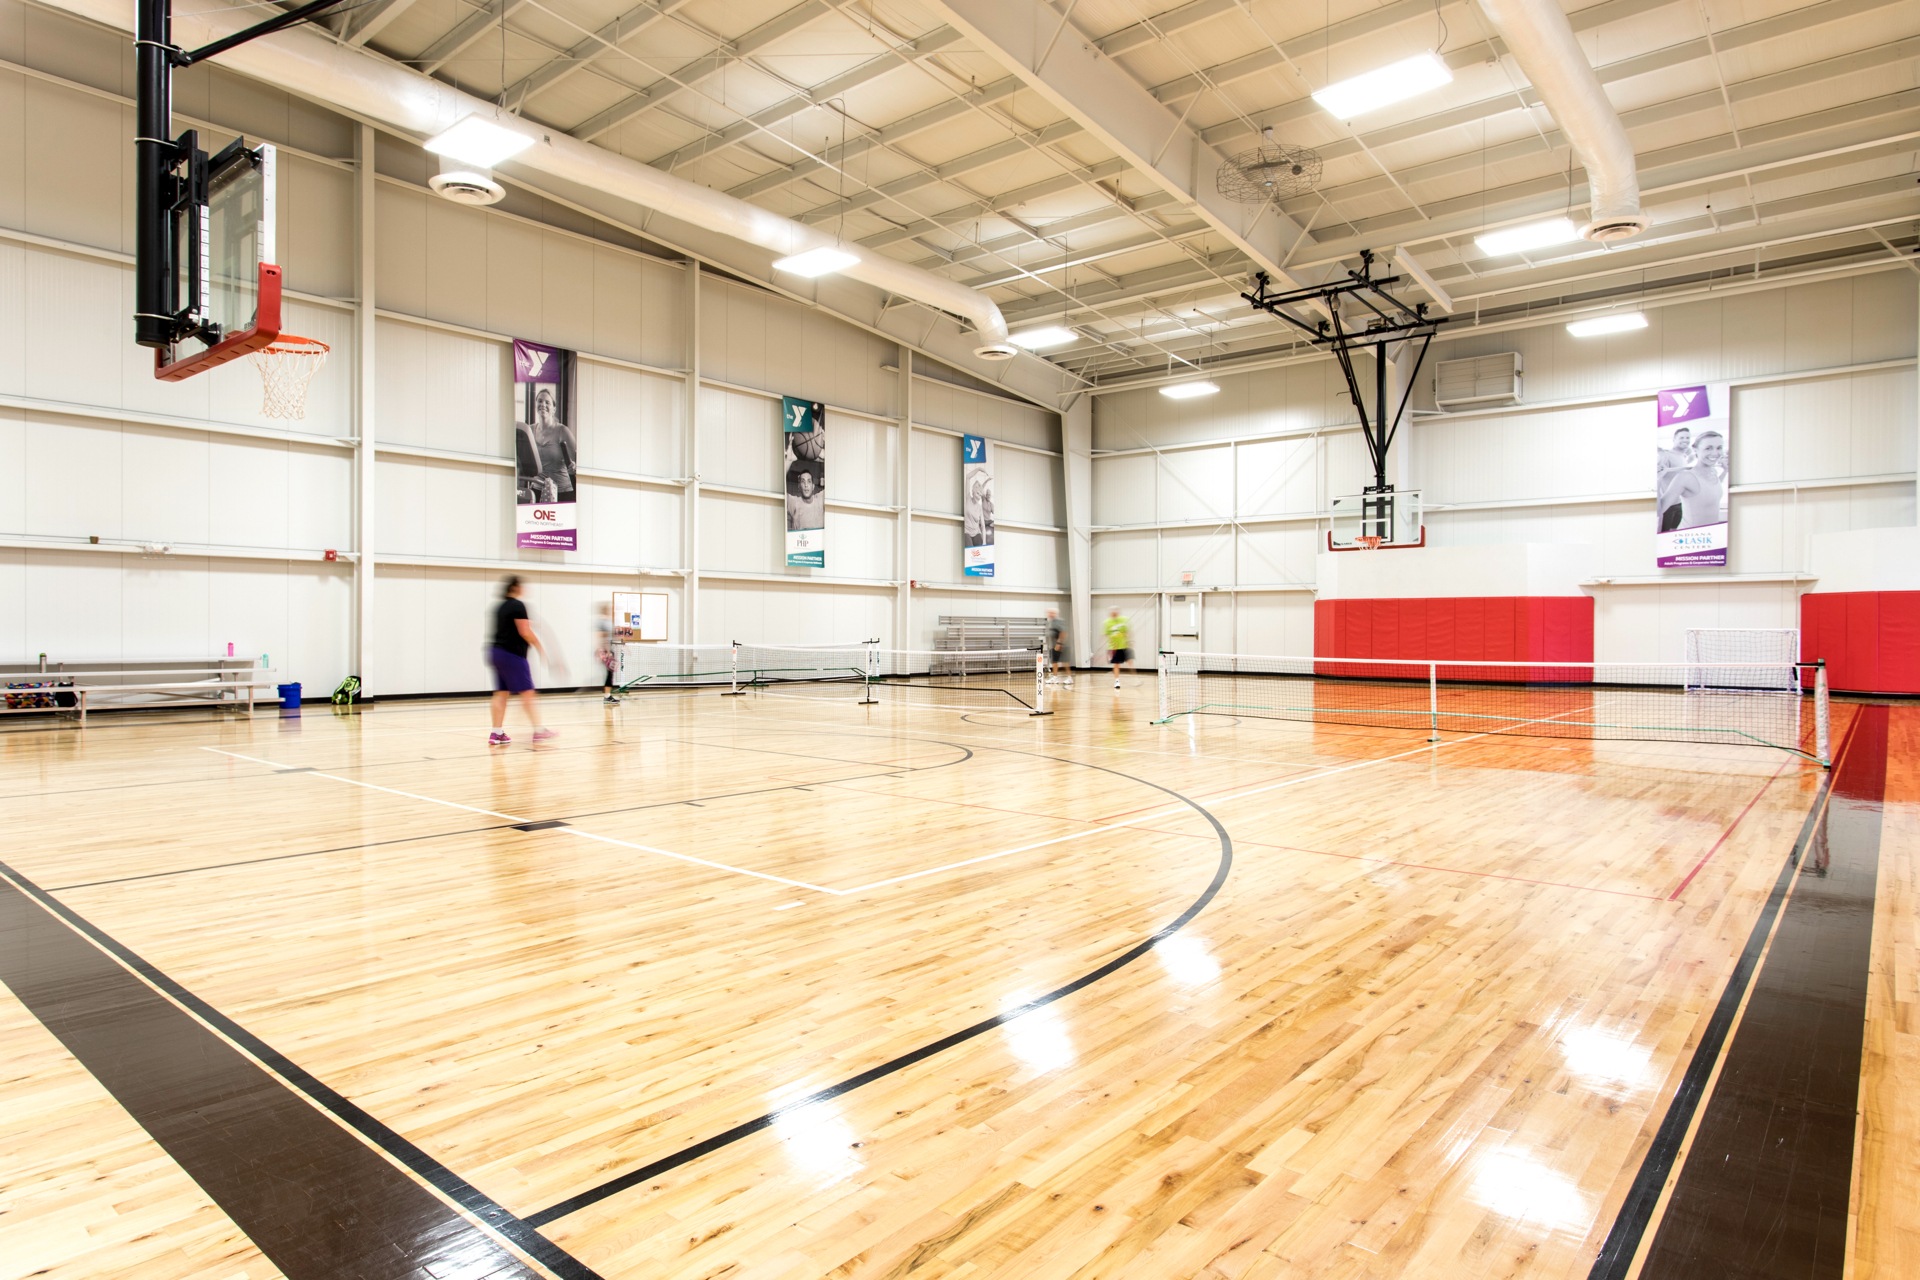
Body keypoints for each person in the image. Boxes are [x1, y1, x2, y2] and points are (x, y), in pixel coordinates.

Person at [488, 577, 554, 746]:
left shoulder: (500, 607)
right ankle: (538, 730)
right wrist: (539, 647)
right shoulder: (518, 605)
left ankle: (496, 733)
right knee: (527, 692)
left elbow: (511, 627)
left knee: (501, 693)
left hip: (495, 652)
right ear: (516, 587)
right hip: (512, 654)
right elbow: (524, 631)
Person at [1658, 430, 1728, 530]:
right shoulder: (1685, 477)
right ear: (1695, 449)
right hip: (1691, 538)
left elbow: (1709, 490)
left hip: (1710, 536)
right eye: (1708, 448)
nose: (1715, 453)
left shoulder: (1713, 472)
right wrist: (1658, 479)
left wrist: (1725, 471)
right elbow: (1659, 511)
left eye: (1719, 448)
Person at [519, 385, 576, 505]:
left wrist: (574, 466)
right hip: (537, 489)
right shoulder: (530, 430)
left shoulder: (562, 431)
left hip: (562, 492)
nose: (543, 404)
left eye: (547, 402)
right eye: (540, 401)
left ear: (554, 408)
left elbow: (578, 460)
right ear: (536, 405)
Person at [1656, 426, 1694, 532]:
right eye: (1681, 438)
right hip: (1668, 505)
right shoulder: (1666, 455)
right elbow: (1658, 474)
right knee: (1664, 535)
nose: (1685, 440)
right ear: (1674, 439)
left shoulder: (1683, 457)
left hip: (1680, 503)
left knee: (1674, 534)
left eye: (1687, 438)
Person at [785, 461, 825, 531]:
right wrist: (789, 461)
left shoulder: (820, 499)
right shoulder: (794, 503)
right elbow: (780, 492)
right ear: (799, 486)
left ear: (813, 486)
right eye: (803, 481)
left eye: (809, 481)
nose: (806, 485)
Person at [595, 601, 620, 705]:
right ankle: (607, 696)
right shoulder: (603, 622)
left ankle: (607, 696)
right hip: (606, 651)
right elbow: (602, 637)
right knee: (609, 673)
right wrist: (607, 651)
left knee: (610, 673)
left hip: (608, 650)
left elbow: (612, 636)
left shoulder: (608, 621)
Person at [1103, 607, 1134, 688]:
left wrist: (1129, 640)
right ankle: (1117, 681)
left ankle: (1135, 678)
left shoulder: (1124, 620)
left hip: (1125, 645)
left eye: (1116, 612)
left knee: (1130, 661)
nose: (1114, 614)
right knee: (1116, 664)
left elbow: (1128, 631)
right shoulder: (1107, 622)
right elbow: (1106, 634)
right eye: (1113, 613)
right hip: (1114, 647)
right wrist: (1112, 641)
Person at [1044, 608, 1071, 686]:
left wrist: (1059, 643)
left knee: (1065, 662)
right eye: (1049, 612)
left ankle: (1069, 678)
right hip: (1052, 645)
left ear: (1055, 614)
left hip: (1060, 645)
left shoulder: (1058, 622)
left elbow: (1063, 632)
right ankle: (1055, 677)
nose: (1050, 614)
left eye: (1052, 613)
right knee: (1054, 662)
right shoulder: (1050, 622)